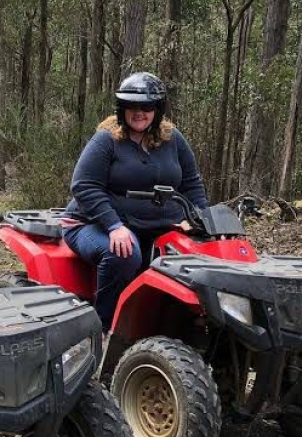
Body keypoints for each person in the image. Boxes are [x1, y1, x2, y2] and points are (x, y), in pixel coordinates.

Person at [62, 72, 208, 332]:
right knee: (124, 254)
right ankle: (104, 329)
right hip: (91, 223)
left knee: (188, 257)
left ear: (157, 109)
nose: (139, 113)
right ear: (122, 108)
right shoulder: (107, 139)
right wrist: (114, 226)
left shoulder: (172, 138)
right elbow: (84, 186)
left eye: (147, 107)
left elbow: (191, 184)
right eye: (132, 106)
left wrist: (205, 220)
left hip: (153, 225)